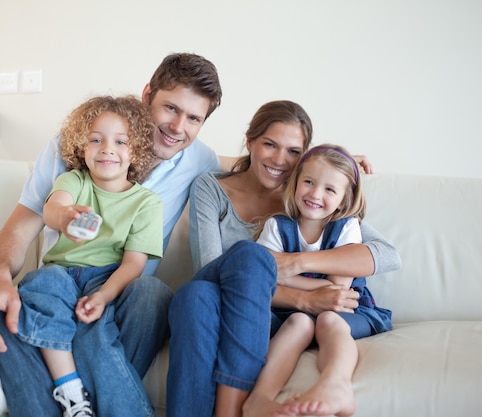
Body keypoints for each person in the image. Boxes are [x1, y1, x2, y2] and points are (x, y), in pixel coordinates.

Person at [0, 52, 222, 417]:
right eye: (170, 108)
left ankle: (76, 395)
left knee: (152, 293)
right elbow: (19, 228)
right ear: (147, 94)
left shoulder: (201, 162)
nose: (178, 127)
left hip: (123, 297)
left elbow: (248, 178)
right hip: (63, 286)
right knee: (3, 317)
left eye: (194, 118)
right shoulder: (78, 146)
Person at [167, 101, 401, 417]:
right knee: (211, 283)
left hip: (269, 316)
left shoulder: (308, 200)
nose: (280, 159)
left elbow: (386, 254)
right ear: (250, 142)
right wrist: (305, 300)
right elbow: (210, 270)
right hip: (246, 300)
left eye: (293, 152)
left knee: (194, 296)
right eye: (269, 145)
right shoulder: (214, 188)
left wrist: (298, 262)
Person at [13, 95, 163, 417]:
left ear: (135, 150)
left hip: (106, 277)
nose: (107, 148)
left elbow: (134, 264)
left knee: (105, 327)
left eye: (120, 141)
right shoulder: (73, 181)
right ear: (82, 147)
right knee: (40, 283)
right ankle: (71, 393)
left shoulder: (147, 203)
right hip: (62, 275)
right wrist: (66, 217)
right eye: (96, 139)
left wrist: (104, 296)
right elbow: (53, 208)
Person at [248, 144, 392, 417]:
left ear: (344, 199)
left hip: (347, 311)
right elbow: (263, 275)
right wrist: (316, 286)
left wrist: (288, 273)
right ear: (295, 183)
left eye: (329, 189)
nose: (315, 194)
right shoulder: (277, 226)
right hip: (291, 310)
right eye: (309, 182)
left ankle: (335, 386)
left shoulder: (347, 226)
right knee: (298, 322)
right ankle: (259, 399)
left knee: (328, 319)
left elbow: (339, 290)